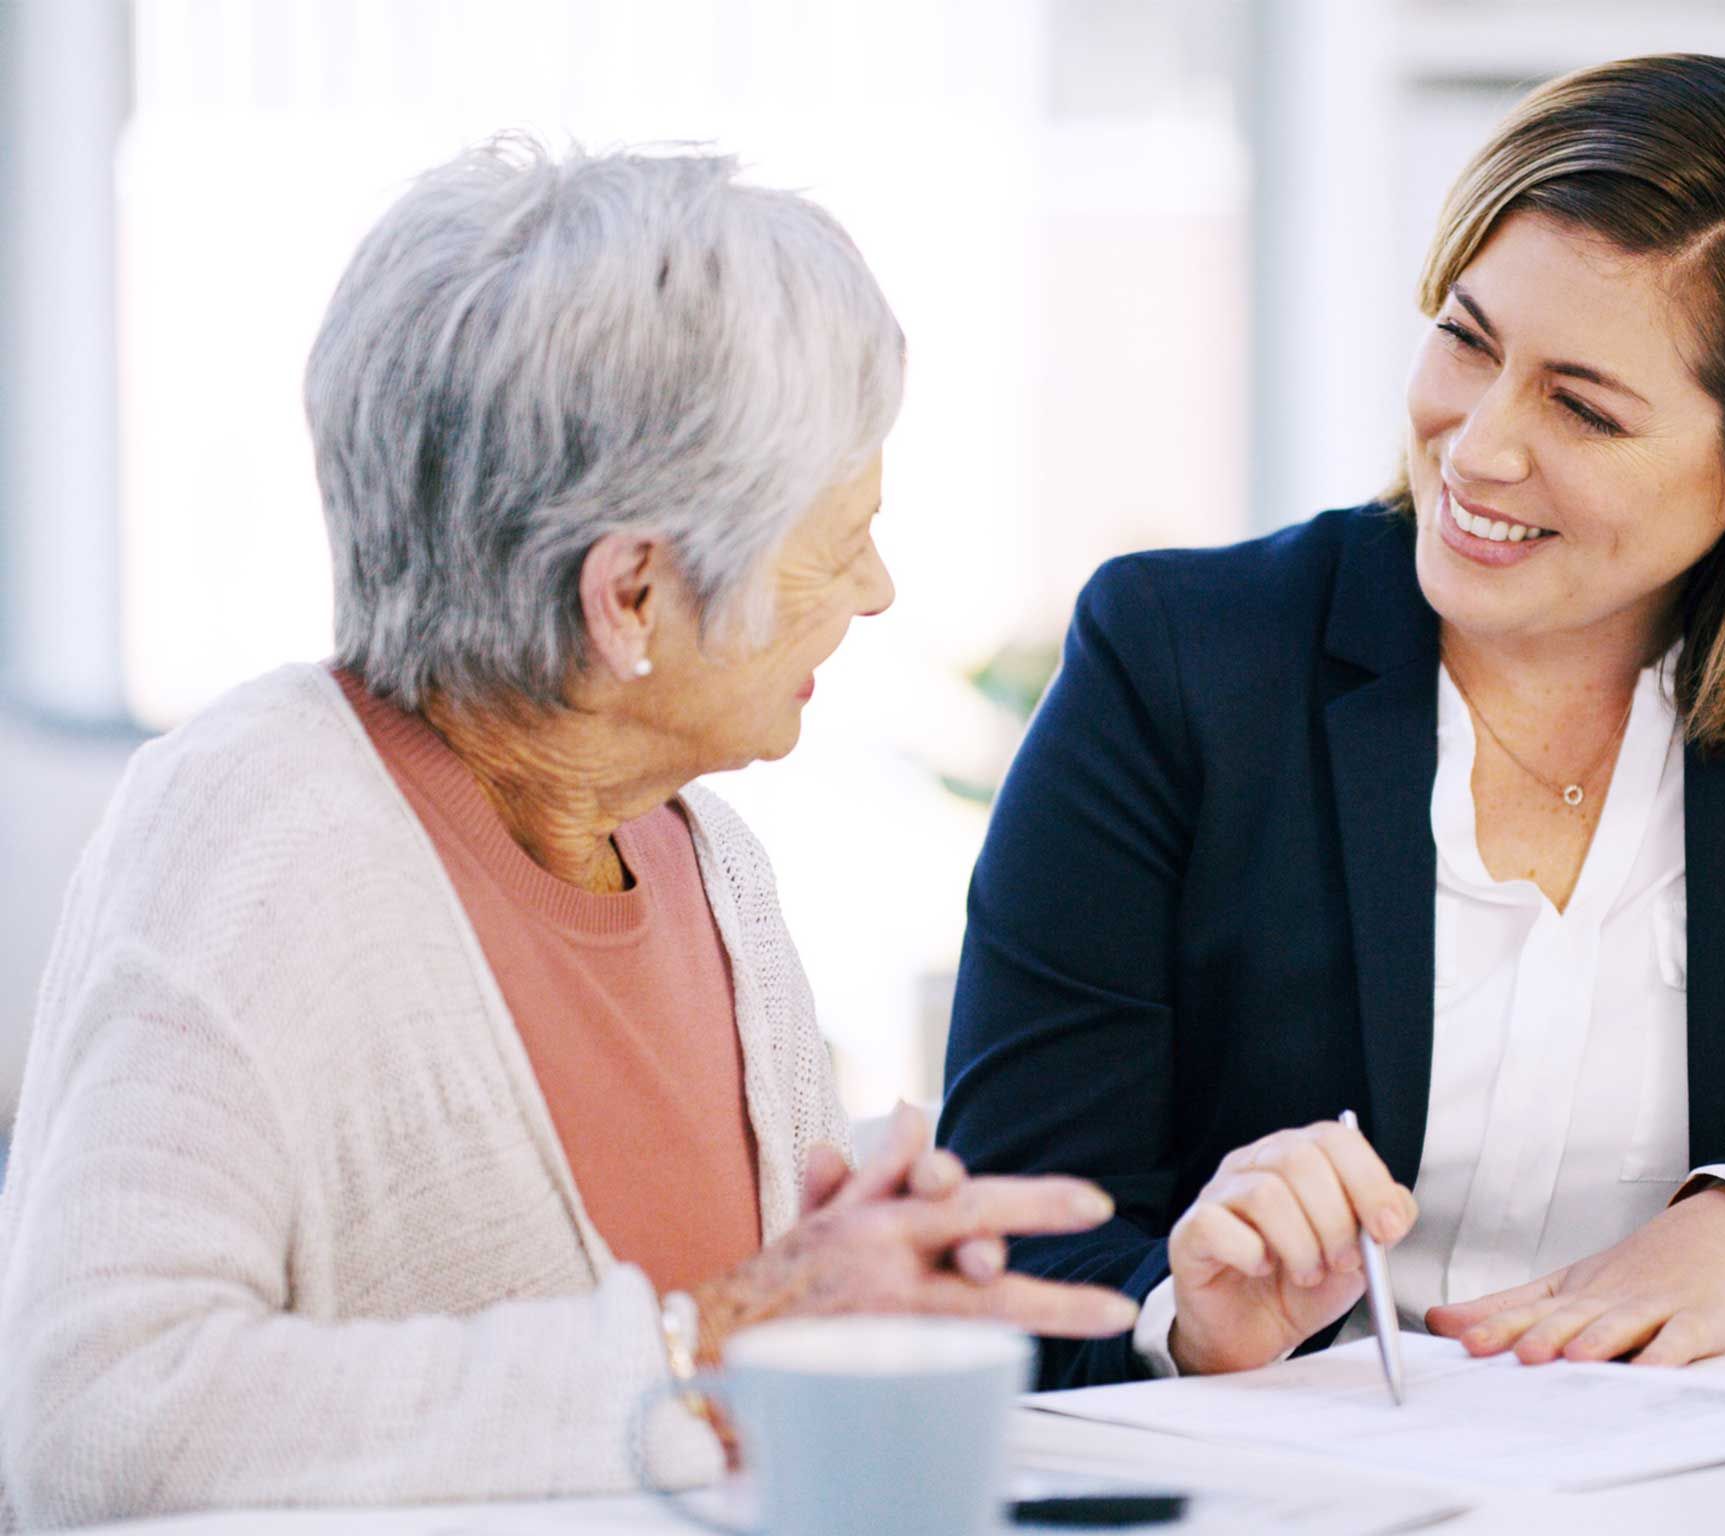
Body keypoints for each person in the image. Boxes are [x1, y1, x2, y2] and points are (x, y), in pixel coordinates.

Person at [939, 54, 1725, 1390]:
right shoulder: (1179, 661)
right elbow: (1002, 1254)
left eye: (1584, 408)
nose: (1477, 446)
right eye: (1467, 340)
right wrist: (1181, 1321)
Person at [0, 138, 1135, 1528]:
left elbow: (701, 1394)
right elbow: (102, 1419)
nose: (881, 591)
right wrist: (708, 1344)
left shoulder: (712, 865)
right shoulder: (249, 828)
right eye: (837, 543)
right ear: (634, 598)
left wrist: (856, 1284)